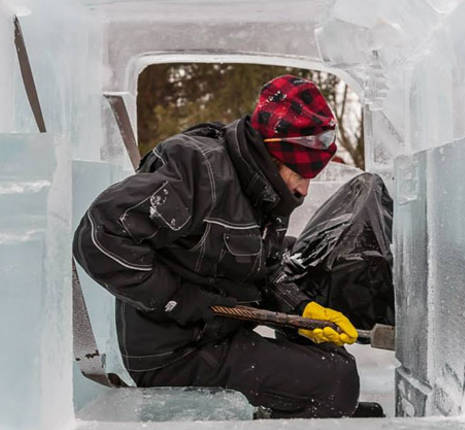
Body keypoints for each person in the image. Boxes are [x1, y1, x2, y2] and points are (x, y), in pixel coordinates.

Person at [73, 75, 364, 418]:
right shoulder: (198, 171)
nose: (304, 188)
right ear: (273, 153)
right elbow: (99, 235)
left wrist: (302, 311)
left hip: (218, 332)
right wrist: (177, 299)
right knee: (335, 380)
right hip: (176, 350)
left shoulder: (266, 190)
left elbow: (265, 272)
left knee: (334, 355)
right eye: (299, 172)